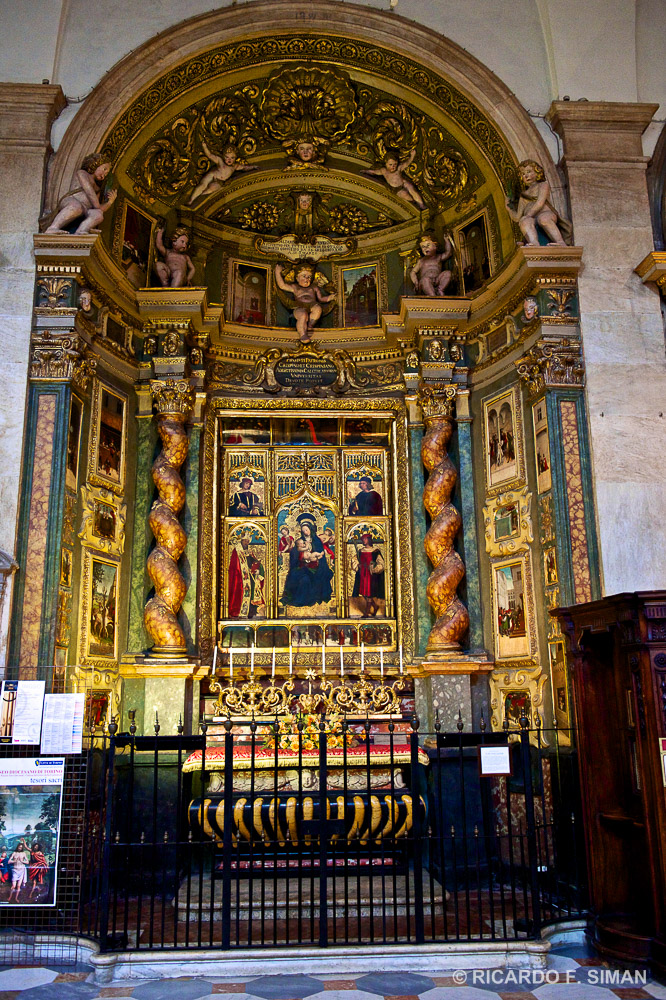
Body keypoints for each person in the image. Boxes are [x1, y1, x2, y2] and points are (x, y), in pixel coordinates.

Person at [505, 159, 571, 247]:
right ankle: (534, 244)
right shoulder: (523, 195)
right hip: (531, 218)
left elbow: (540, 203)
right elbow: (517, 217)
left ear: (537, 172)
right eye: (523, 174)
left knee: (543, 219)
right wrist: (509, 209)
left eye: (529, 172)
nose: (526, 176)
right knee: (524, 221)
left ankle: (560, 242)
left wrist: (528, 214)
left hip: (546, 213)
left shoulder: (543, 185)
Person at [45, 154, 117, 234]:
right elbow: (90, 193)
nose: (103, 175)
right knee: (76, 207)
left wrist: (110, 202)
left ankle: (81, 230)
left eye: (106, 174)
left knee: (98, 214)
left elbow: (98, 209)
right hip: (72, 201)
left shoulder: (97, 188)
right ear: (96, 164)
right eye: (104, 169)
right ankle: (53, 228)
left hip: (85, 209)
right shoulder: (82, 174)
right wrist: (100, 204)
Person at [280, 514, 334, 609]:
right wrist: (301, 556)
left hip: (315, 567)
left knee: (313, 578)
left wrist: (316, 559)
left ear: (311, 529)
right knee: (301, 578)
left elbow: (321, 554)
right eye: (304, 530)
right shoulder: (300, 541)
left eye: (307, 529)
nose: (306, 531)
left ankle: (311, 599)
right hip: (302, 566)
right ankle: (301, 600)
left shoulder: (316, 541)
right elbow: (295, 553)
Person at [274, 262, 335, 343]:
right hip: (299, 306)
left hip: (313, 305)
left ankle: (310, 325)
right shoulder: (295, 287)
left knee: (318, 309)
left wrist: (330, 297)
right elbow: (282, 285)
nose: (307, 279)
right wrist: (277, 272)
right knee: (302, 315)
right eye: (304, 276)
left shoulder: (314, 287)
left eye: (309, 277)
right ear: (297, 278)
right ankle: (302, 334)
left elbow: (321, 299)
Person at [187, 142, 257, 204]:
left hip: (220, 181)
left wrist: (253, 167)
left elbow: (244, 167)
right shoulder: (220, 161)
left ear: (235, 157)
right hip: (212, 175)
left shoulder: (235, 166)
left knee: (211, 190)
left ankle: (200, 198)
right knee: (202, 185)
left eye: (232, 158)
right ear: (223, 156)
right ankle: (191, 200)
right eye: (227, 157)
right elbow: (210, 155)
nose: (229, 160)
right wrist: (204, 146)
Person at [228, 531, 266, 618]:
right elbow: (234, 566)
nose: (246, 543)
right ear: (241, 541)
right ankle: (239, 612)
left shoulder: (249, 551)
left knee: (252, 593)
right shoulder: (236, 551)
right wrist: (242, 572)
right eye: (245, 541)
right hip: (240, 578)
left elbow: (255, 562)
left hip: (251, 577)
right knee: (241, 593)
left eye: (247, 541)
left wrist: (258, 569)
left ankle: (251, 612)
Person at [351, 534, 385, 617]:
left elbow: (381, 563)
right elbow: (355, 560)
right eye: (363, 539)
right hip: (362, 573)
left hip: (370, 574)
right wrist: (357, 565)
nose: (364, 541)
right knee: (363, 592)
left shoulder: (375, 551)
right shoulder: (360, 551)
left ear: (369, 540)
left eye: (365, 539)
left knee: (369, 593)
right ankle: (375, 606)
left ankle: (366, 613)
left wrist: (373, 566)